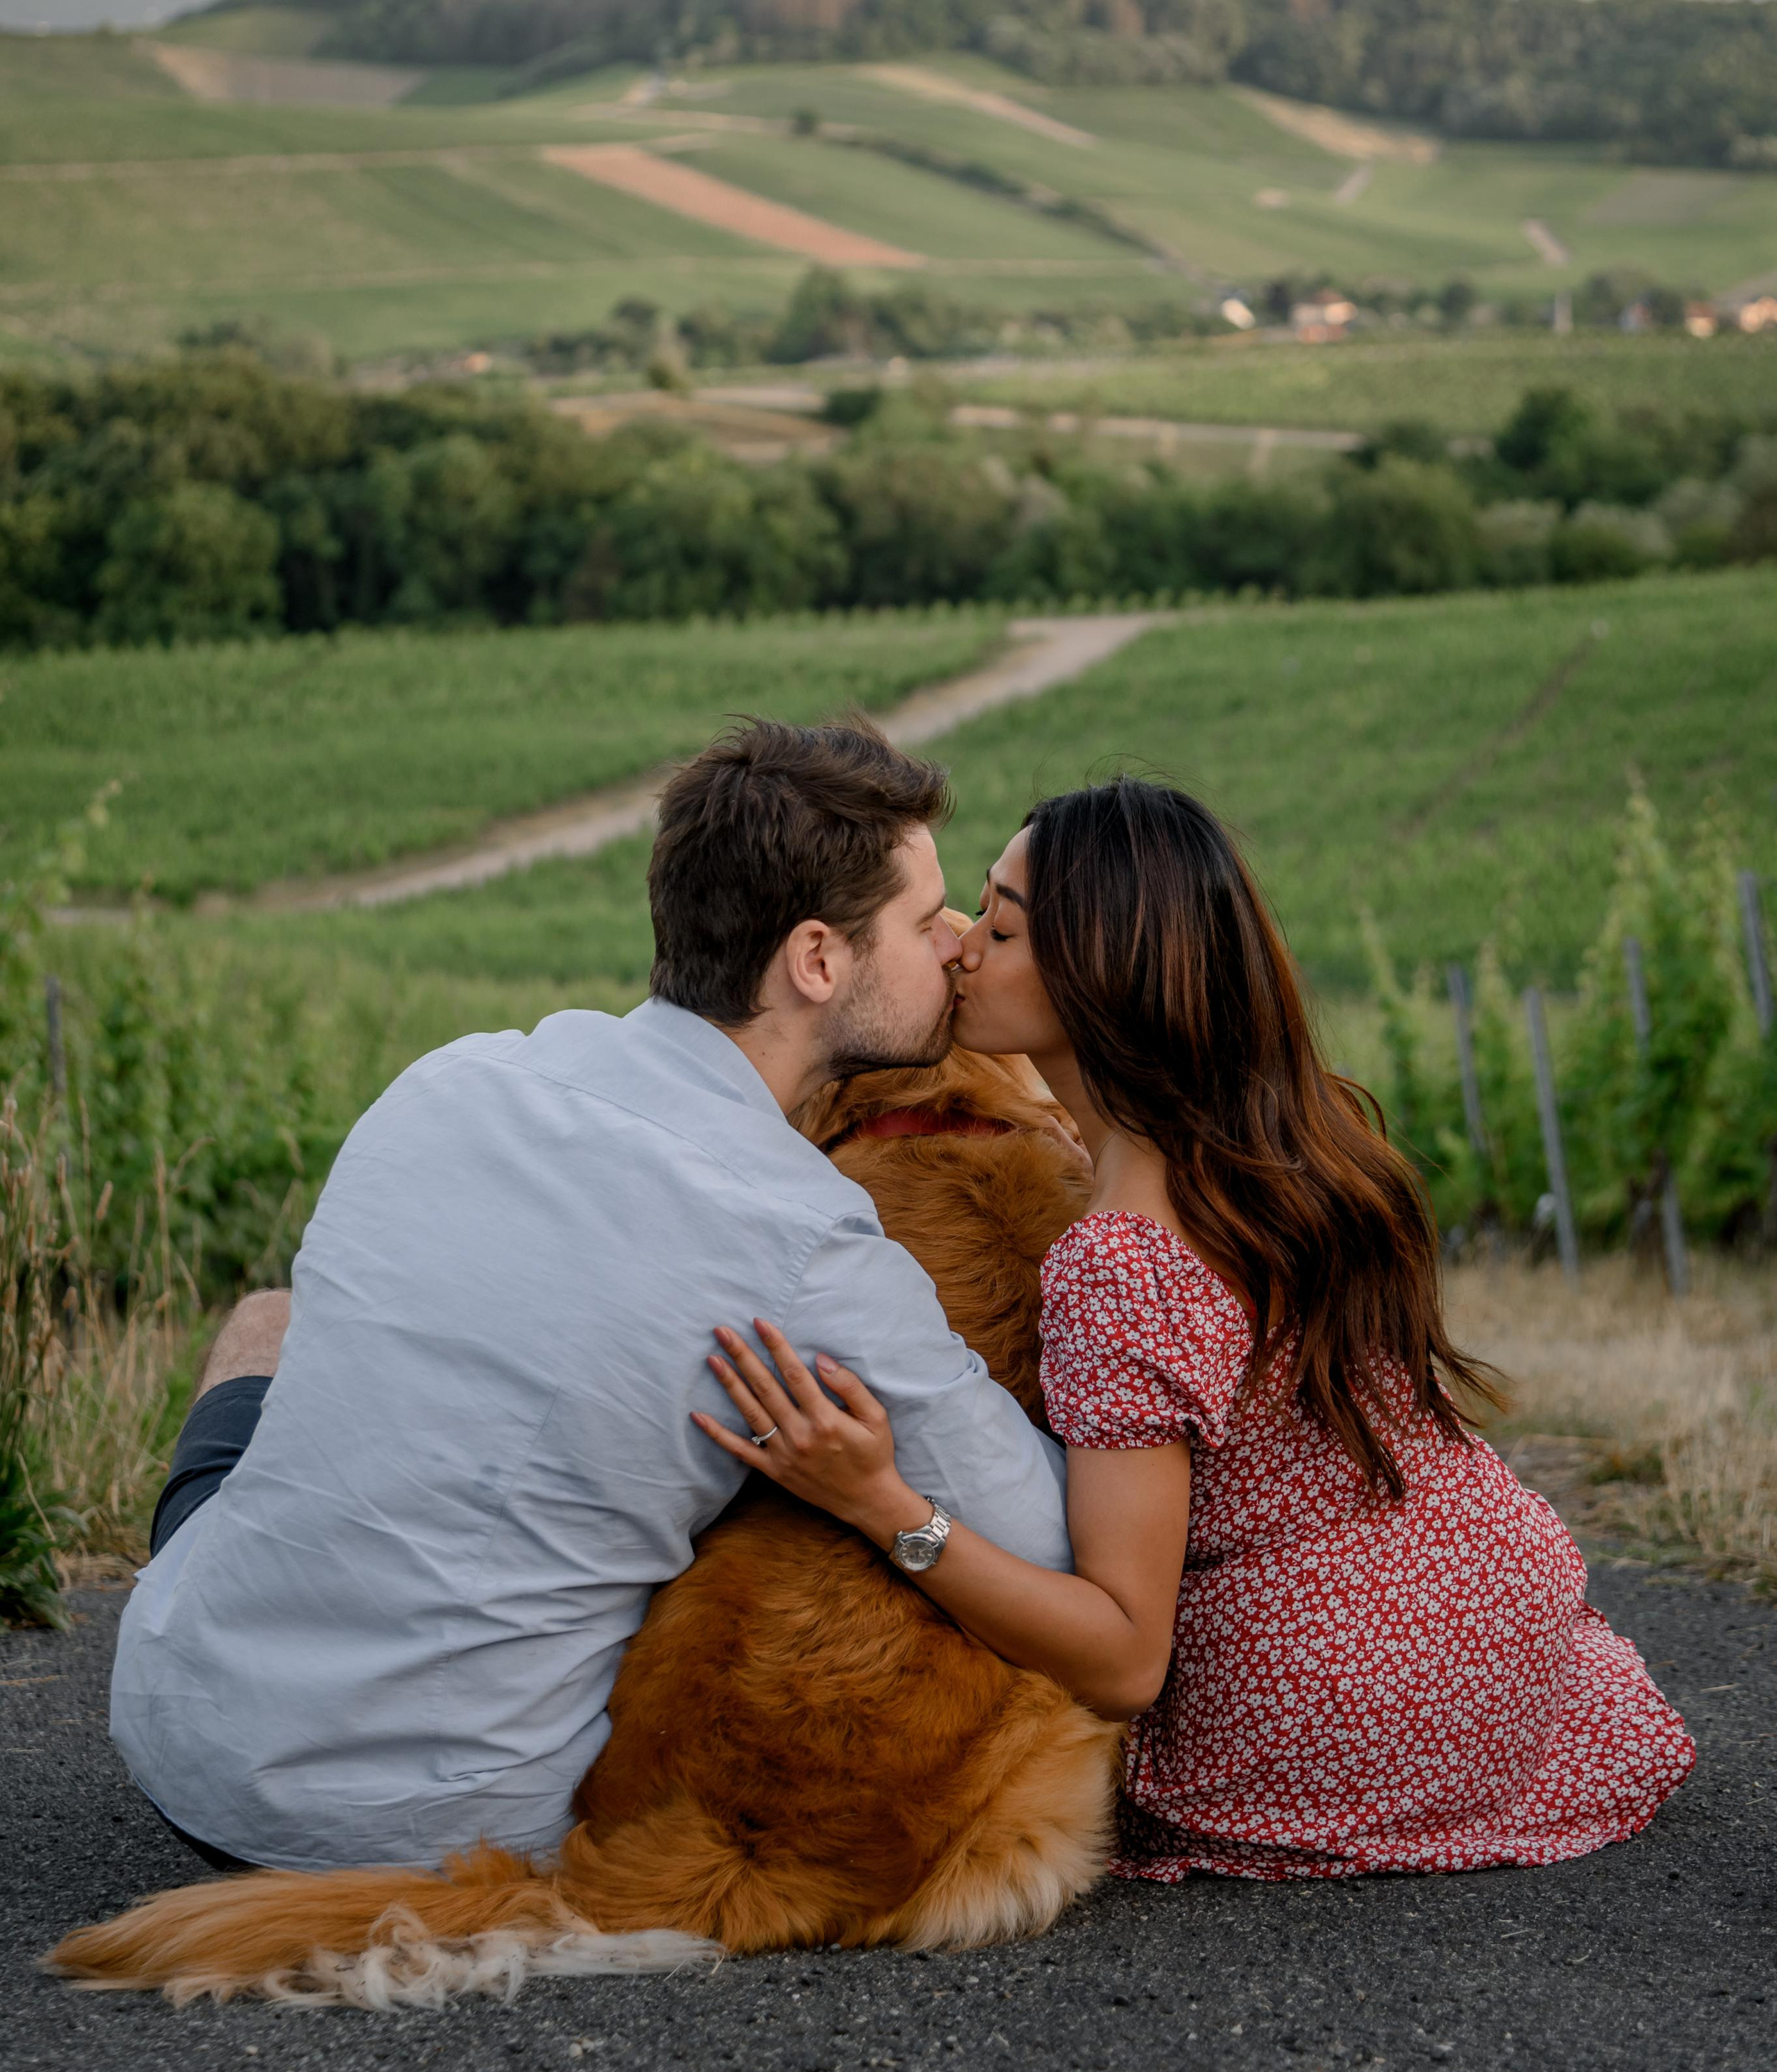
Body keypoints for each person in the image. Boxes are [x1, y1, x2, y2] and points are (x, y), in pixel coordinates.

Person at [110, 720, 1072, 1876]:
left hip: (182, 1735)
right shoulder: (801, 1236)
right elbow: (1042, 1533)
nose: (960, 944)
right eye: (927, 923)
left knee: (267, 1322)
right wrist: (880, 1492)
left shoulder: (450, 1077)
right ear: (818, 961)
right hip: (430, 1832)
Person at [696, 775, 1696, 1883]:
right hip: (1515, 1633)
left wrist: (886, 1506)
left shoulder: (1117, 1259)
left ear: (1100, 978)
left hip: (1338, 1711)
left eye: (1003, 926)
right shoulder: (1296, 1147)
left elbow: (1125, 1661)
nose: (962, 949)